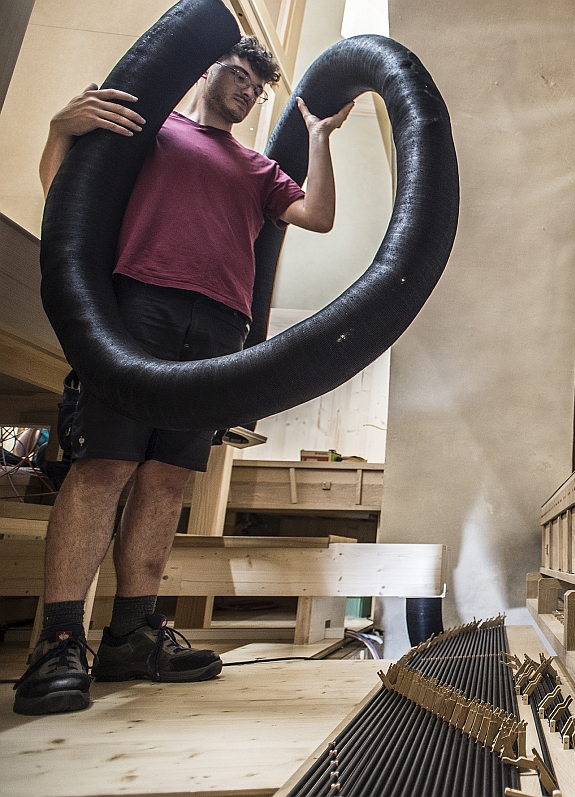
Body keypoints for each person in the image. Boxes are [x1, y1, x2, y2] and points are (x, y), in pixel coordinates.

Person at [14, 36, 353, 716]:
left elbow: (317, 215)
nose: (248, 90)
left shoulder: (257, 168)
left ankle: (133, 634)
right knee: (104, 465)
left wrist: (318, 137)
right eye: (240, 74)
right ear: (206, 69)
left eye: (258, 86)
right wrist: (59, 129)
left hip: (221, 329)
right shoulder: (151, 132)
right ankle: (58, 641)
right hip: (139, 307)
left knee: (168, 477)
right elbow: (65, 199)